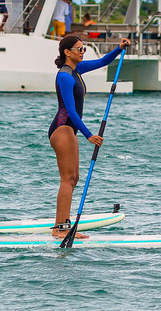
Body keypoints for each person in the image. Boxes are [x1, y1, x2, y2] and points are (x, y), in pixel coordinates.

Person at [48, 35, 130, 238]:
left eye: (83, 49)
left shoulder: (77, 70)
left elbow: (102, 62)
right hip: (62, 128)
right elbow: (70, 110)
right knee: (67, 179)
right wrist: (88, 135)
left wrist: (119, 49)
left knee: (72, 178)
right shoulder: (65, 76)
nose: (82, 52)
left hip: (69, 129)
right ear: (67, 52)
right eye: (79, 49)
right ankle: (61, 228)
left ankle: (60, 224)